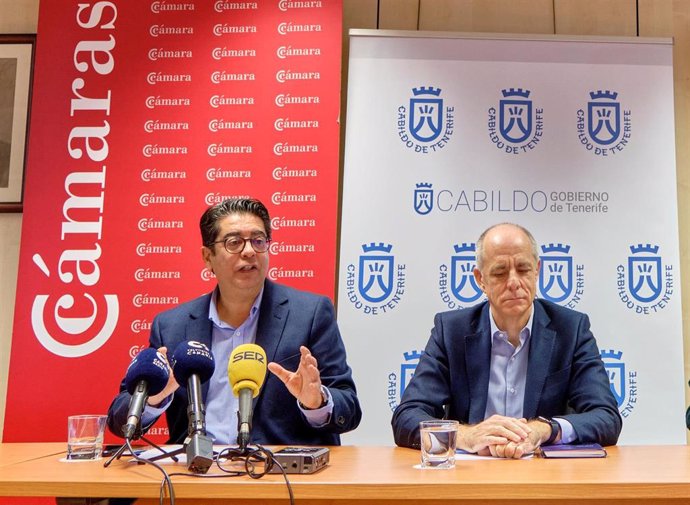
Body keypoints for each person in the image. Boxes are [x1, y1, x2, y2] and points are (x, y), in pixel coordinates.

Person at [107, 198, 362, 446]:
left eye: (258, 241)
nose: (249, 251)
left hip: (279, 477)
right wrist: (153, 399)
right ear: (208, 257)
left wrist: (316, 402)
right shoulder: (171, 326)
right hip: (196, 475)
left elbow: (348, 408)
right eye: (234, 242)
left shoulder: (311, 313)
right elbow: (119, 419)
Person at [391, 222, 622, 458]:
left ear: (537, 270)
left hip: (545, 478)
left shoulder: (571, 329)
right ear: (480, 279)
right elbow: (406, 417)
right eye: (500, 273)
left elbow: (606, 417)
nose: (514, 283)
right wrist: (466, 436)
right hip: (469, 478)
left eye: (523, 269)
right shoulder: (451, 331)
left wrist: (544, 430)